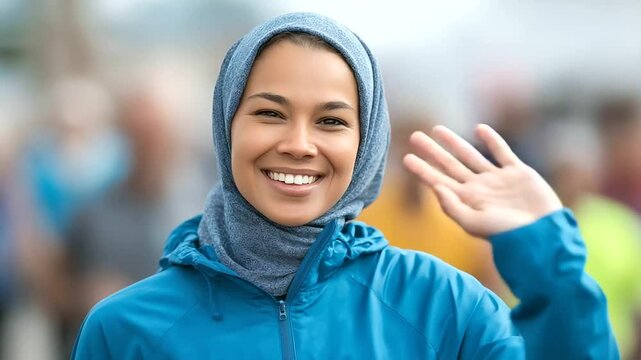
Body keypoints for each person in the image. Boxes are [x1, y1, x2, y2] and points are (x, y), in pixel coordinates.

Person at [71, 12, 618, 359]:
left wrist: (551, 265)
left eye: (332, 121)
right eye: (269, 112)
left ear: (366, 143)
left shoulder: (443, 306)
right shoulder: (125, 330)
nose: (299, 144)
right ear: (224, 125)